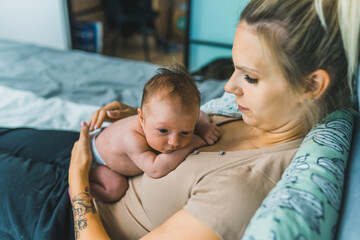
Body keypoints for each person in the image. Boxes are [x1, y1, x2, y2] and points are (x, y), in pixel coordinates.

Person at [0, 0, 358, 239]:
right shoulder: (247, 115)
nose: (230, 87)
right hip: (95, 154)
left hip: (72, 210)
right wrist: (141, 121)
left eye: (250, 77)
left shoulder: (243, 189)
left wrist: (77, 181)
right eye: (234, 69)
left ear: (311, 85)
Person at [88, 66, 220, 203]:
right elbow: (154, 169)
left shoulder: (169, 121)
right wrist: (190, 143)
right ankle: (82, 187)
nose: (174, 142)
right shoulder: (132, 139)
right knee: (115, 188)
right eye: (163, 131)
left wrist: (204, 126)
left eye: (185, 132)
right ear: (141, 118)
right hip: (98, 159)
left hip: (109, 139)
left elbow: (201, 115)